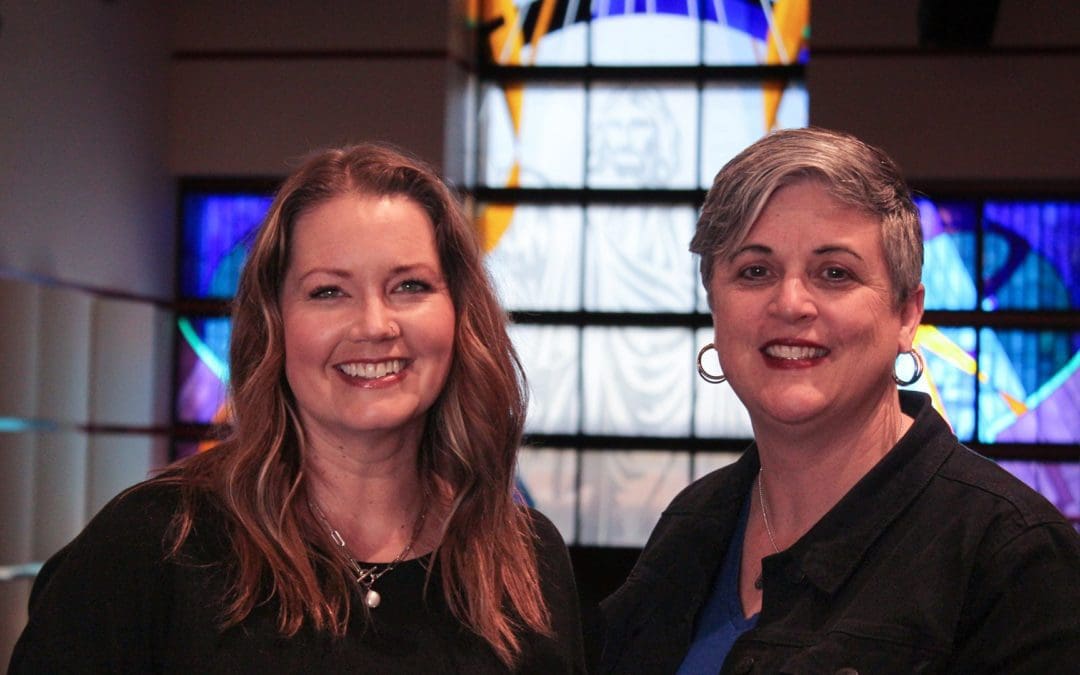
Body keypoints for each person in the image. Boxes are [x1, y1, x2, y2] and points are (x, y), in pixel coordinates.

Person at [10, 143, 586, 673]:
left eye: (409, 286)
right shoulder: (156, 545)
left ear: (460, 313)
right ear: (274, 324)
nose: (374, 325)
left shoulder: (525, 558)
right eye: (328, 291)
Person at [599, 127, 1080, 673]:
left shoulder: (1010, 558)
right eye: (755, 271)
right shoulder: (690, 525)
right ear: (716, 308)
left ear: (906, 315)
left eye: (835, 273)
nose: (791, 303)